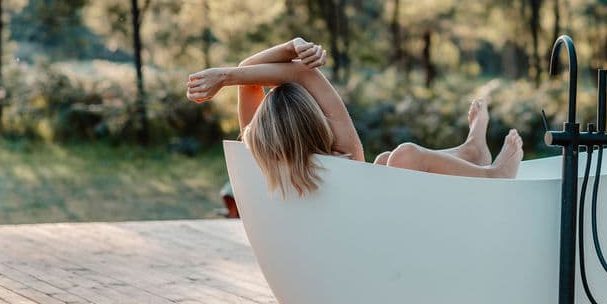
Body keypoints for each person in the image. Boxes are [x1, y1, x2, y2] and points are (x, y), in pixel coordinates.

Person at [186, 37, 523, 196]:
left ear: (263, 129)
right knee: (402, 157)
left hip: (322, 264)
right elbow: (301, 75)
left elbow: (249, 73)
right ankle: (491, 176)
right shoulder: (343, 158)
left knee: (386, 162)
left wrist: (232, 76)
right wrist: (293, 49)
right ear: (315, 119)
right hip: (366, 249)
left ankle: (469, 153)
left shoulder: (256, 158)